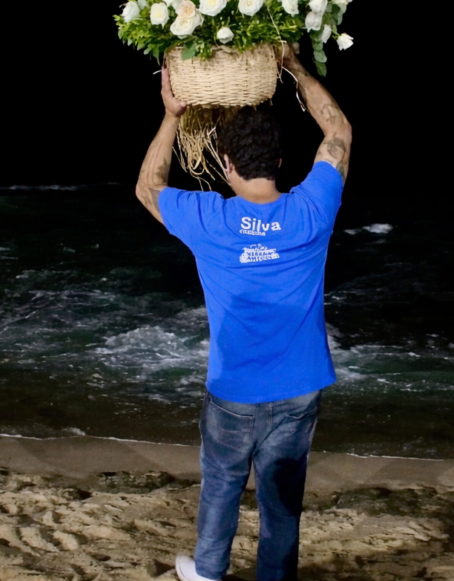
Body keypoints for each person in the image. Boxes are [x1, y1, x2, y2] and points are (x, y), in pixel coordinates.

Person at [135, 44, 352, 581]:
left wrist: (172, 114)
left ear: (226, 163)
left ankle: (207, 572)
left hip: (233, 389)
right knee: (282, 499)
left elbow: (149, 188)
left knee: (223, 483)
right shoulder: (311, 208)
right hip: (300, 386)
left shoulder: (209, 216)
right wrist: (295, 67)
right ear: (279, 162)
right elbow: (338, 133)